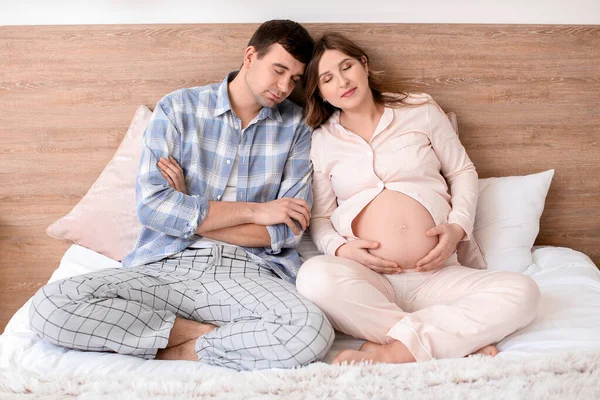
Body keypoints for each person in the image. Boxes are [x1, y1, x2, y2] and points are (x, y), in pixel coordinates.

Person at [28, 20, 334, 371]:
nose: (284, 87)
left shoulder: (297, 127)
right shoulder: (178, 108)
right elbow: (154, 208)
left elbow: (285, 230)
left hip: (248, 271)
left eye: (295, 79)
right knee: (49, 307)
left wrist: (188, 207)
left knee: (310, 330)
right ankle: (202, 334)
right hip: (166, 265)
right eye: (278, 71)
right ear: (251, 56)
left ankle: (179, 350)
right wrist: (257, 210)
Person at [295, 33, 540, 365]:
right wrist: (340, 249)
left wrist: (458, 227)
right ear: (320, 92)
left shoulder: (419, 108)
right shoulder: (322, 141)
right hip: (371, 281)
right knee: (313, 277)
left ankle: (392, 350)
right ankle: (450, 343)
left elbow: (462, 171)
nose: (342, 81)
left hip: (440, 275)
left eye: (346, 66)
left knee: (523, 292)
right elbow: (322, 218)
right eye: (327, 79)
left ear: (364, 65)